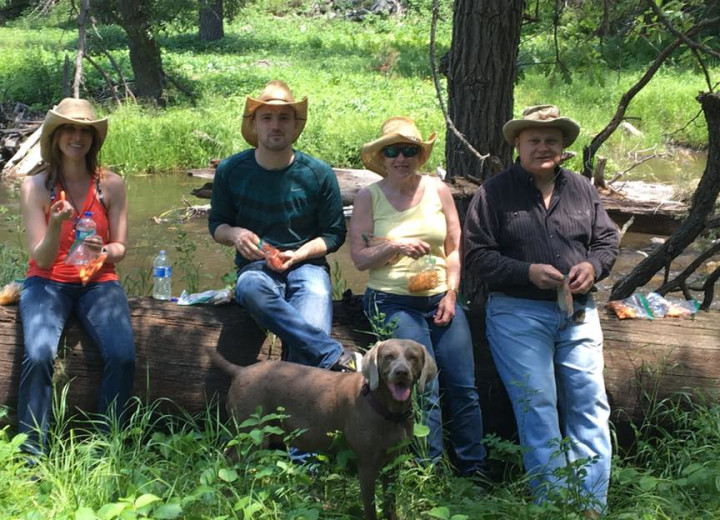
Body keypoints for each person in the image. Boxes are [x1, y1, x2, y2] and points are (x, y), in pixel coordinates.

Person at [463, 105, 619, 514]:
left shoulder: (583, 189)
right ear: (518, 143)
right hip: (517, 313)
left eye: (552, 140)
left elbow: (607, 242)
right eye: (534, 139)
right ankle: (554, 505)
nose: (543, 147)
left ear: (563, 146)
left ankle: (590, 505)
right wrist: (525, 272)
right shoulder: (494, 192)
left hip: (579, 311)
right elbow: (477, 256)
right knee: (538, 406)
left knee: (590, 404)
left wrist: (593, 266)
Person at [348, 117, 487, 474]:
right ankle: (430, 471)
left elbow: (455, 248)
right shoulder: (368, 196)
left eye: (409, 150)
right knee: (424, 385)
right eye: (392, 151)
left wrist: (453, 293)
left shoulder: (438, 190)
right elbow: (360, 260)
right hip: (391, 300)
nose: (401, 158)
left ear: (419, 155)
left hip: (441, 298)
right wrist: (393, 245)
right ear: (381, 156)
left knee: (463, 386)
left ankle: (474, 469)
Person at [208, 80, 356, 372]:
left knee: (312, 319)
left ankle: (286, 415)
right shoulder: (231, 170)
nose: (275, 125)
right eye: (267, 117)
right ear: (254, 124)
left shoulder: (318, 173)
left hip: (309, 267)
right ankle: (330, 352)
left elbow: (334, 235)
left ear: (294, 125)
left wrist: (299, 254)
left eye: (283, 117)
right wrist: (235, 234)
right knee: (249, 288)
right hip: (256, 267)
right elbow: (216, 225)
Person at [18, 97, 136, 456]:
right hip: (47, 282)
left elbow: (121, 248)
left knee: (123, 355)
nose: (76, 137)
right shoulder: (35, 186)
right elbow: (40, 255)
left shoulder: (111, 185)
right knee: (38, 355)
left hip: (99, 284)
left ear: (93, 140)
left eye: (84, 131)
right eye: (68, 128)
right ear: (54, 136)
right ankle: (31, 456)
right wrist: (56, 223)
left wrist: (103, 252)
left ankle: (107, 444)